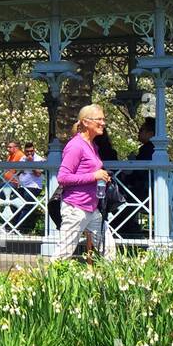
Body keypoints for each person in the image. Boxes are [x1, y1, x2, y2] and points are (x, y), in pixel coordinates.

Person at [54, 104, 113, 259]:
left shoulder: (92, 146)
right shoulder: (75, 146)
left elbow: (91, 172)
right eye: (99, 119)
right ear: (86, 122)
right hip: (75, 208)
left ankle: (112, 282)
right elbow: (63, 177)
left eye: (103, 119)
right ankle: (48, 282)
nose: (103, 123)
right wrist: (94, 176)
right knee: (63, 254)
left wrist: (103, 178)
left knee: (109, 251)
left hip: (92, 209)